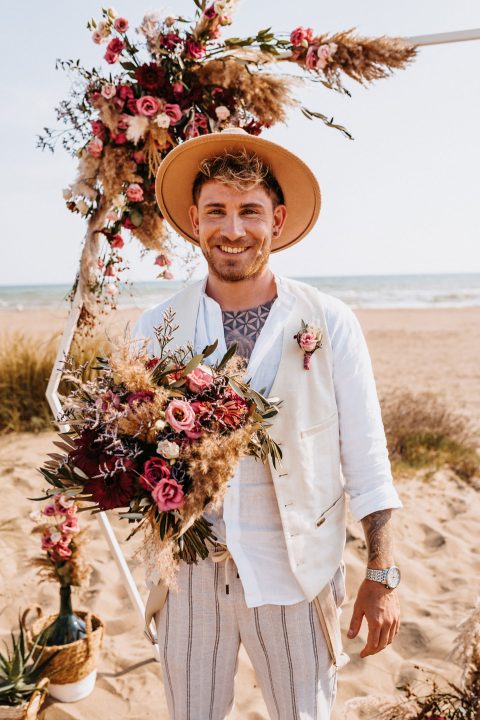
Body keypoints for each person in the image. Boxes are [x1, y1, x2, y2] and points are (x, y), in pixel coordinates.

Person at [132, 127, 403, 720]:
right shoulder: (154, 327)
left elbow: (367, 457)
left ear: (276, 221)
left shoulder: (328, 321)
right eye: (217, 211)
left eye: (249, 211)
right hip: (186, 577)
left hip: (296, 570)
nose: (233, 230)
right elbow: (132, 452)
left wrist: (381, 573)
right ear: (194, 220)